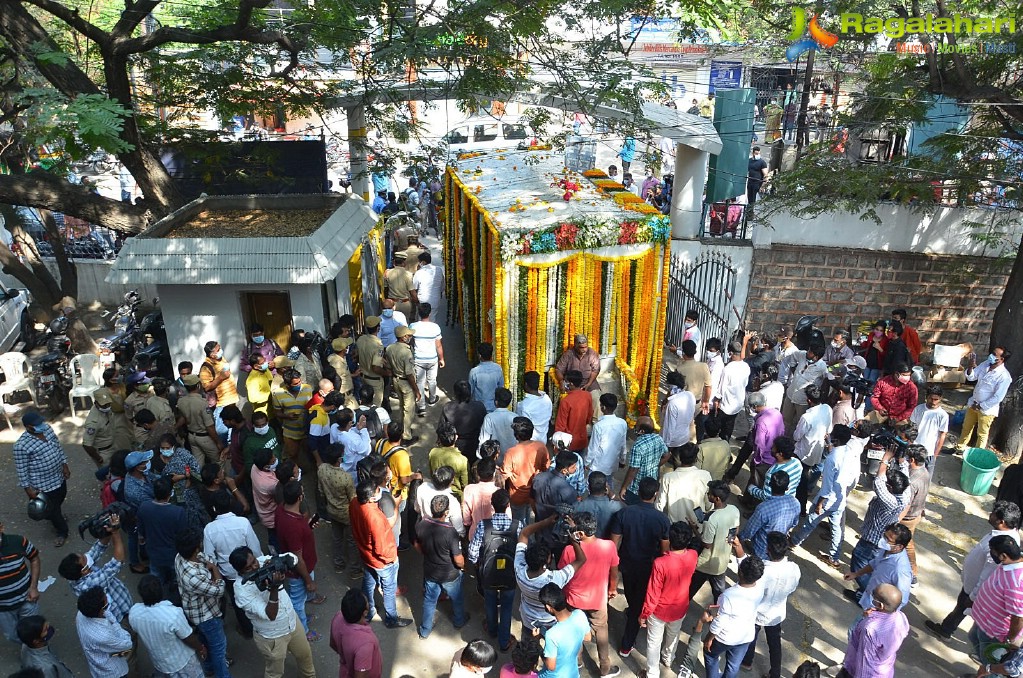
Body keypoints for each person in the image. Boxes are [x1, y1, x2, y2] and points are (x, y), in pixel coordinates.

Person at [926, 501, 1022, 640]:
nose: (990, 515)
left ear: (1001, 521)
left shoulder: (1002, 545)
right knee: (961, 610)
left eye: (993, 514)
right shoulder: (1002, 534)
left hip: (972, 590)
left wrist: (972, 597)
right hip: (971, 585)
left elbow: (987, 575)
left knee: (961, 610)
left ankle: (945, 630)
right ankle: (947, 628)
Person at [230, 547, 316, 678]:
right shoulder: (241, 591)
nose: (255, 566)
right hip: (272, 636)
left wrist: (278, 563)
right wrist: (274, 588)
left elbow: (293, 557)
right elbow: (270, 615)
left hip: (292, 623)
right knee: (275, 673)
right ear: (240, 572)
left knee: (305, 656)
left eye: (254, 561)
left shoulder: (263, 562)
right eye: (248, 568)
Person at [611, 476, 670, 657]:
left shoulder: (624, 513)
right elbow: (665, 549)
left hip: (627, 564)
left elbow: (614, 542)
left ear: (638, 492)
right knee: (638, 603)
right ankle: (626, 645)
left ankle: (634, 612)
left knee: (630, 592)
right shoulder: (662, 519)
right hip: (648, 568)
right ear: (656, 494)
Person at [557, 512, 620, 677]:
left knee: (575, 630)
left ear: (581, 533)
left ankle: (577, 662)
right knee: (601, 629)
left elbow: (562, 573)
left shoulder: (569, 550)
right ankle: (605, 667)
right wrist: (612, 589)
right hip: (598, 599)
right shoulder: (608, 546)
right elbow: (614, 571)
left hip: (573, 599)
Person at [789, 425, 861, 568]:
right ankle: (834, 557)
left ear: (837, 439)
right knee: (836, 529)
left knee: (810, 522)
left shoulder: (831, 459)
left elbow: (827, 486)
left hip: (827, 500)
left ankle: (794, 541)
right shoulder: (849, 451)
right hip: (840, 500)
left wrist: (820, 503)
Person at [349, 480, 413, 628]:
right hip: (383, 562)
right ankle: (391, 619)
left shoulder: (354, 503)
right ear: (371, 498)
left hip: (366, 555)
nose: (380, 492)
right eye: (377, 490)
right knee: (389, 589)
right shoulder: (375, 518)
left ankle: (368, 611)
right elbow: (381, 548)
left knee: (368, 582)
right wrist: (392, 560)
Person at [639, 521, 698, 678]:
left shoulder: (660, 563)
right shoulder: (693, 555)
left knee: (653, 642)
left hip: (659, 610)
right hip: (680, 608)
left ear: (670, 540)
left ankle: (652, 673)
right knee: (674, 635)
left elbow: (653, 593)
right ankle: (668, 659)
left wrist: (644, 614)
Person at [737, 534, 800, 678]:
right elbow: (792, 588)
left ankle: (747, 662)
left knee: (751, 636)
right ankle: (775, 673)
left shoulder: (764, 570)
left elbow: (752, 587)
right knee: (775, 644)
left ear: (768, 551)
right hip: (776, 613)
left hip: (757, 612)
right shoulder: (794, 568)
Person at [201, 491, 259, 639]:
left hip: (228, 573)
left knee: (237, 601)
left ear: (214, 508)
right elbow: (255, 547)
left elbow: (210, 558)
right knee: (256, 594)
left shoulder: (209, 529)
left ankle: (247, 630)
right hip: (249, 569)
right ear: (231, 503)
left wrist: (216, 577)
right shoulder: (243, 522)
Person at [513, 515, 585, 635]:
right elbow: (581, 560)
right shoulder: (555, 579)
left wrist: (545, 521)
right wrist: (574, 540)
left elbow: (524, 534)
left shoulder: (519, 568)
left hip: (528, 617)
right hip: (550, 620)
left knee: (529, 644)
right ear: (547, 561)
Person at [468, 489, 519, 653]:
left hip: (489, 573)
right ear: (508, 505)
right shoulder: (517, 525)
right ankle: (504, 641)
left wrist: (478, 565)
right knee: (506, 607)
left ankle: (491, 629)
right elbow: (523, 551)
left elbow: (473, 552)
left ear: (492, 505)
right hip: (509, 574)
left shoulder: (483, 525)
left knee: (489, 602)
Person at [848, 458, 910, 593]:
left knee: (858, 565)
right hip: (879, 540)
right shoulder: (905, 495)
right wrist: (902, 461)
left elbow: (878, 482)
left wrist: (886, 459)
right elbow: (906, 478)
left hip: (870, 540)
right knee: (873, 565)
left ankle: (870, 593)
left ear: (890, 488)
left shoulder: (889, 501)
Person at [58, 513, 133, 623]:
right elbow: (117, 561)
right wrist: (115, 532)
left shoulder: (74, 574)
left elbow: (98, 548)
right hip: (120, 615)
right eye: (84, 559)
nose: (86, 555)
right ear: (84, 571)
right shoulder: (91, 583)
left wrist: (106, 528)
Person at [128, 575, 207, 678]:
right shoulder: (173, 614)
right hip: (182, 661)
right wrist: (200, 648)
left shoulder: (134, 612)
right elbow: (188, 637)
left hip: (160, 662)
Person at [274, 481, 324, 641]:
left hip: (301, 564)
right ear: (299, 497)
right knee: (297, 601)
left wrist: (307, 527)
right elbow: (298, 558)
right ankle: (303, 630)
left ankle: (304, 613)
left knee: (300, 599)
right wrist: (308, 581)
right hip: (298, 572)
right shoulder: (294, 525)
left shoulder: (281, 509)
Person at [14, 411, 70, 547]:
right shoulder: (21, 446)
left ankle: (55, 515)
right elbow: (22, 470)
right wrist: (28, 489)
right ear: (29, 427)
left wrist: (64, 465)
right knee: (53, 509)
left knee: (61, 497)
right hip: (42, 485)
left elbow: (58, 447)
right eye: (37, 424)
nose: (42, 425)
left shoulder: (48, 430)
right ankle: (62, 531)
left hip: (58, 477)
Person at [703, 555, 765, 678]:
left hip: (725, 637)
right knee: (733, 665)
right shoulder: (760, 588)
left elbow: (719, 622)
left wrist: (709, 638)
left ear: (739, 572)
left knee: (710, 655)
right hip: (745, 636)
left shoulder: (728, 596)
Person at [416, 494, 468, 639]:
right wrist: (463, 567)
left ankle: (425, 630)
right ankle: (459, 620)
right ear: (446, 512)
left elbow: (417, 545)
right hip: (449, 574)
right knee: (457, 598)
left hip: (430, 572)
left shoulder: (422, 524)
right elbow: (458, 559)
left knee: (429, 600)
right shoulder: (450, 531)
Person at [965, 534, 1023, 665]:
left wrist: (1009, 640)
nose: (991, 555)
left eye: (993, 552)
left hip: (995, 633)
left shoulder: (1017, 583)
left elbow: (1018, 618)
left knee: (991, 663)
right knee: (973, 638)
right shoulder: (1008, 563)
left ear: (1003, 556)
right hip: (983, 621)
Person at [839, 583, 909, 678]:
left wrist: (865, 620)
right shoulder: (901, 617)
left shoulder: (870, 630)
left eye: (873, 596)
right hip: (884, 670)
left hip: (858, 672)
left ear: (880, 605)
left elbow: (865, 662)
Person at [690, 480, 740, 603]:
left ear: (716, 498)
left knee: (690, 589)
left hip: (705, 563)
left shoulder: (711, 519)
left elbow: (707, 544)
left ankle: (680, 609)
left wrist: (694, 529)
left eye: (709, 494)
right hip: (721, 562)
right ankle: (720, 611)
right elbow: (735, 531)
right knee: (719, 593)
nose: (707, 495)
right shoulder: (734, 510)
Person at [957, 347, 1013, 453]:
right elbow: (971, 377)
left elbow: (998, 397)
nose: (991, 356)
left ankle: (978, 455)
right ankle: (960, 448)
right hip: (973, 403)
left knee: (982, 433)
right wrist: (970, 366)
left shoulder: (1004, 376)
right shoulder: (985, 364)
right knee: (966, 427)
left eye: (995, 355)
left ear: (1002, 359)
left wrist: (980, 406)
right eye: (992, 353)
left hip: (987, 410)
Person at [724, 391, 785, 488]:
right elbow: (782, 430)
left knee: (746, 462)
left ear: (755, 406)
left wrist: (757, 459)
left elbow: (759, 444)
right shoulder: (777, 412)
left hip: (763, 454)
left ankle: (732, 477)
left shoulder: (761, 422)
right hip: (773, 450)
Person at [136, 476, 186, 589]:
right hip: (173, 554)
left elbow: (141, 530)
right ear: (170, 494)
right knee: (176, 578)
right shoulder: (178, 512)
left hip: (153, 552)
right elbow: (182, 534)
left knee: (156, 580)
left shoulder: (144, 507)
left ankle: (156, 596)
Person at [739, 472, 799, 560]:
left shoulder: (763, 508)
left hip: (761, 549)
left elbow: (749, 530)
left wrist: (739, 538)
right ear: (787, 488)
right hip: (778, 549)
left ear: (770, 485)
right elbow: (794, 523)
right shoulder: (796, 503)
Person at [75, 586, 132, 678]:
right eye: (106, 606)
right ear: (100, 610)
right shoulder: (103, 636)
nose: (108, 603)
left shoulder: (81, 614)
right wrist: (115, 624)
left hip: (98, 666)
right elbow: (127, 643)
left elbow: (106, 613)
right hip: (113, 672)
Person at [317, 443, 357, 574]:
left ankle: (338, 563)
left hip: (331, 510)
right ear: (339, 459)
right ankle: (355, 568)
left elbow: (321, 491)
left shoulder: (321, 469)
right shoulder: (345, 477)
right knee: (352, 541)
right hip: (347, 513)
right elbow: (352, 498)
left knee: (337, 537)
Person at [501, 417, 550, 523]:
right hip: (535, 492)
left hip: (517, 495)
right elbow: (546, 467)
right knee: (529, 517)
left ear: (516, 435)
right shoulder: (541, 446)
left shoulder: (511, 452)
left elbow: (505, 475)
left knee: (518, 523)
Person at [792, 385, 832, 514]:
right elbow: (829, 429)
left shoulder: (807, 417)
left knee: (800, 481)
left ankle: (801, 508)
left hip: (803, 453)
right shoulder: (827, 409)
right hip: (818, 450)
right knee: (808, 476)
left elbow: (797, 436)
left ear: (808, 400)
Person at [536, 583, 591, 678]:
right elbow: (587, 637)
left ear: (548, 607)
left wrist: (537, 644)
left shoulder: (551, 635)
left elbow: (551, 666)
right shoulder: (580, 614)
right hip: (573, 673)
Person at [0, 521, 40, 644]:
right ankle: (27, 648)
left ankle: (39, 651)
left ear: (1, 527)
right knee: (12, 636)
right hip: (3, 609)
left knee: (35, 632)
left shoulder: (18, 541)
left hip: (27, 600)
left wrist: (33, 587)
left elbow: (34, 558)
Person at [330, 589, 383, 678]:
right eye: (367, 603)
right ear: (365, 612)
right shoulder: (365, 643)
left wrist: (347, 657)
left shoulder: (338, 617)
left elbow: (332, 644)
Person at [617, 416, 668, 505]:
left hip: (637, 488)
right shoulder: (658, 438)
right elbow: (667, 455)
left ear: (642, 431)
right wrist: (656, 465)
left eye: (636, 426)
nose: (634, 428)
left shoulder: (637, 446)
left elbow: (633, 470)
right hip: (652, 484)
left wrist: (624, 487)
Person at [898, 445, 932, 580]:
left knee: (907, 544)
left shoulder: (912, 482)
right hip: (917, 513)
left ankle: (913, 572)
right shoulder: (925, 472)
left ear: (912, 460)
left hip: (908, 517)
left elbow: (906, 503)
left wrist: (897, 518)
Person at [779, 341, 827, 434]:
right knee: (785, 419)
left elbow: (826, 378)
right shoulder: (802, 355)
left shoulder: (822, 367)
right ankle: (782, 437)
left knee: (800, 423)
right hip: (790, 394)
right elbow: (793, 356)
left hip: (803, 400)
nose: (807, 352)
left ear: (816, 357)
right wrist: (793, 367)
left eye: (810, 352)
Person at [656, 442, 711, 524]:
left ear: (680, 458)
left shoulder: (668, 478)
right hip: (697, 526)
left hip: (675, 529)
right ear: (696, 459)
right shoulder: (705, 475)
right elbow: (709, 505)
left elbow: (659, 505)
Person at [197, 340, 239, 444]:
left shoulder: (221, 359)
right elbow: (207, 388)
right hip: (221, 403)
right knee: (222, 430)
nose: (221, 351)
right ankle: (223, 451)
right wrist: (220, 378)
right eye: (218, 349)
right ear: (212, 354)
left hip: (231, 399)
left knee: (232, 428)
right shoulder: (206, 367)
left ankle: (231, 449)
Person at [178, 374, 224, 466]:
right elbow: (209, 426)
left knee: (198, 464)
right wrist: (218, 442)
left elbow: (183, 418)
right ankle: (219, 479)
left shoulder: (181, 401)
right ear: (198, 385)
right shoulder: (202, 403)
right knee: (218, 461)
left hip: (191, 435)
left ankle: (199, 480)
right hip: (205, 437)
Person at [383, 325, 420, 442]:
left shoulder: (389, 348)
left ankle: (402, 429)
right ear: (403, 337)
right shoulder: (406, 352)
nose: (410, 337)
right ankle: (406, 436)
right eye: (408, 335)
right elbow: (409, 374)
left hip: (396, 380)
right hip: (406, 382)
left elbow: (388, 366)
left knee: (401, 406)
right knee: (408, 409)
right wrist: (416, 390)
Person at [410, 302, 445, 419]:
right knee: (432, 380)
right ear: (429, 313)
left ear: (418, 313)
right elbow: (438, 345)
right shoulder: (435, 327)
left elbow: (410, 341)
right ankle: (432, 398)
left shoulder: (413, 326)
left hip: (418, 359)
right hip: (432, 359)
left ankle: (421, 406)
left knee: (419, 382)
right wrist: (442, 359)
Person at [585, 394, 627, 487]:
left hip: (598, 465)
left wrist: (587, 463)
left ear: (603, 407)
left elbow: (593, 448)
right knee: (608, 485)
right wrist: (622, 460)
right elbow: (623, 445)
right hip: (612, 463)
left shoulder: (599, 426)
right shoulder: (622, 423)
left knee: (594, 488)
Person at [555, 335, 602, 416]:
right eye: (581, 347)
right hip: (571, 384)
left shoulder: (591, 353)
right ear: (575, 345)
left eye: (585, 347)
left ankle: (596, 422)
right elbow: (558, 369)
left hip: (588, 382)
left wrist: (589, 384)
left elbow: (596, 370)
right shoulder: (568, 354)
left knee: (597, 399)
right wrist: (561, 381)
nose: (584, 350)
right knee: (568, 401)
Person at [746, 436, 802, 504]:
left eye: (773, 447)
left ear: (780, 454)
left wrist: (752, 489)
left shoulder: (773, 473)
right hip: (789, 499)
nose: (771, 448)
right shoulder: (797, 463)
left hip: (774, 504)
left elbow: (766, 496)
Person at [442, 380, 488, 460]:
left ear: (455, 393)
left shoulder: (447, 407)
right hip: (475, 444)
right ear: (470, 392)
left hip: (454, 445)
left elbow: (442, 428)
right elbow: (485, 426)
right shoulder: (479, 406)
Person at [716, 341, 752, 441]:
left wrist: (716, 400)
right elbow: (745, 384)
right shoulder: (746, 366)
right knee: (729, 425)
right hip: (738, 404)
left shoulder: (728, 369)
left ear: (730, 353)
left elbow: (721, 389)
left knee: (719, 427)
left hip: (726, 404)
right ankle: (726, 443)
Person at [532, 451, 580, 522]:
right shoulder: (569, 490)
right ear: (564, 470)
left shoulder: (538, 478)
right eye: (573, 467)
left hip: (539, 521)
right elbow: (573, 512)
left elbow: (532, 499)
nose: (576, 468)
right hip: (556, 525)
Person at [911, 385, 949, 472]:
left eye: (936, 399)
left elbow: (942, 435)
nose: (933, 402)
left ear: (940, 398)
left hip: (930, 452)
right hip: (916, 448)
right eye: (931, 398)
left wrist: (935, 454)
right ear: (926, 397)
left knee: (927, 476)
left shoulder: (943, 415)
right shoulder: (918, 409)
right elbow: (912, 427)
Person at [554, 370, 593, 454]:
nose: (564, 383)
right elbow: (589, 416)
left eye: (565, 381)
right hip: (582, 439)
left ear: (571, 384)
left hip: (568, 443)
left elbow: (560, 426)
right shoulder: (587, 395)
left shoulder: (566, 401)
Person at [462, 457, 500, 542]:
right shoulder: (498, 492)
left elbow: (466, 516)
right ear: (494, 474)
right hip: (493, 536)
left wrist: (467, 524)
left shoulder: (469, 489)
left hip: (475, 533)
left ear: (478, 473)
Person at [429, 423, 470, 499]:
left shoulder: (433, 452)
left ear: (439, 440)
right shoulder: (463, 460)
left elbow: (432, 473)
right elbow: (465, 484)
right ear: (456, 438)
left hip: (437, 489)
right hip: (455, 494)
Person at [82, 388, 119, 466]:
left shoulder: (105, 410)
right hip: (103, 453)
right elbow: (86, 445)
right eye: (104, 405)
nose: (107, 406)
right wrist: (99, 458)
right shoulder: (93, 422)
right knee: (108, 476)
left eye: (108, 403)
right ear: (96, 403)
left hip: (113, 445)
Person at [661, 370, 696, 452]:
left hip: (673, 442)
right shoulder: (689, 395)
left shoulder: (673, 403)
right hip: (685, 436)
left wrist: (665, 445)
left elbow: (669, 427)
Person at [516, 371, 553, 443]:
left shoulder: (524, 405)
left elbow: (523, 428)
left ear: (526, 384)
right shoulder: (547, 399)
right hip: (543, 440)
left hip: (530, 443)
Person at [479, 388, 518, 455]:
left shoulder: (489, 418)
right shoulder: (515, 417)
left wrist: (481, 457)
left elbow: (484, 440)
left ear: (496, 402)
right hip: (513, 457)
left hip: (494, 458)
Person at [469, 342, 505, 412]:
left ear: (479, 355)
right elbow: (501, 387)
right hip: (494, 407)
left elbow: (470, 391)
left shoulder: (474, 372)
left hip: (479, 408)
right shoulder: (498, 368)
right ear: (491, 354)